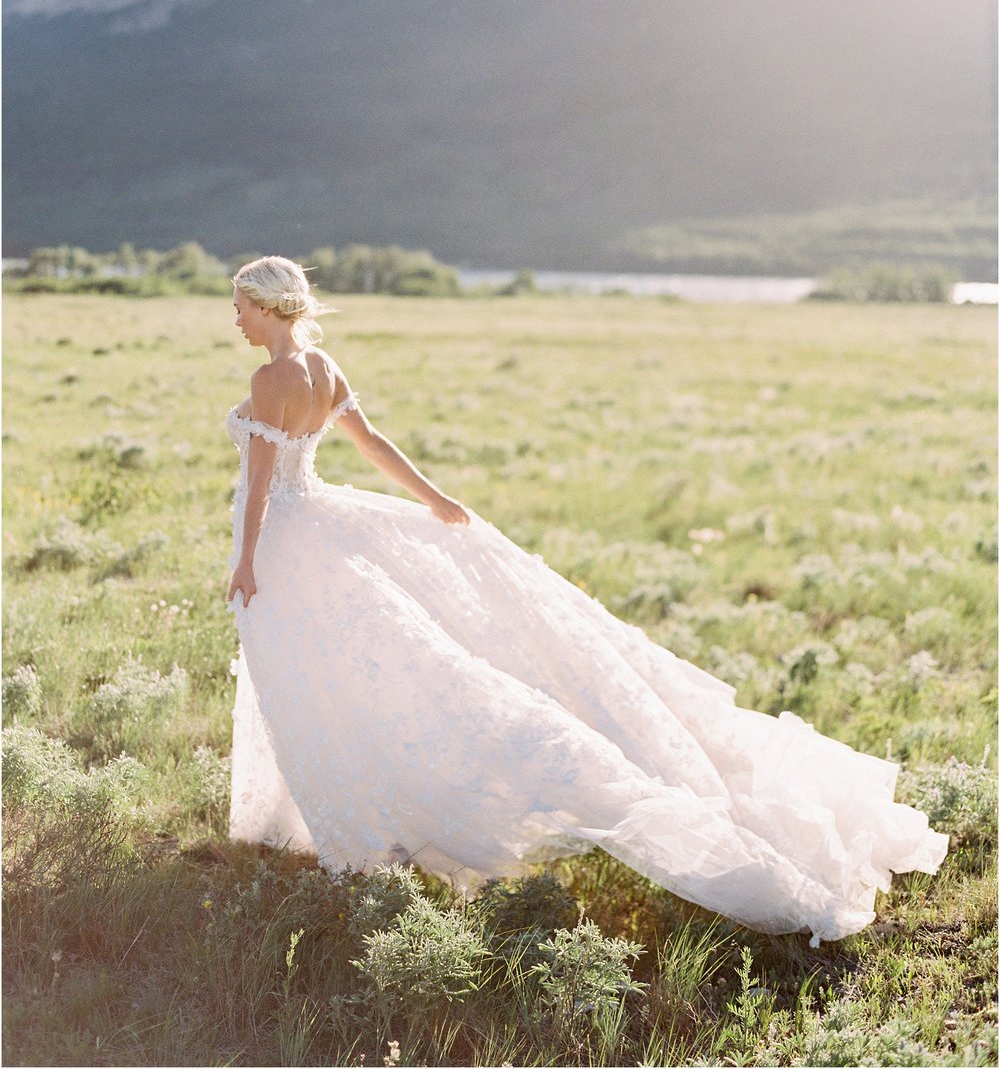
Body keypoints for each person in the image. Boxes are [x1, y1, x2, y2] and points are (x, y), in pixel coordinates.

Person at [225, 255, 947, 947]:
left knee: (311, 672)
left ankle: (351, 827)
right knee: (342, 668)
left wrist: (249, 561)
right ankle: (319, 818)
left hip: (292, 538)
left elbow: (261, 483)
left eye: (241, 307)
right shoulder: (323, 367)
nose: (237, 320)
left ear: (267, 305)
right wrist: (437, 499)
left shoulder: (272, 380)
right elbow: (373, 442)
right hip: (323, 518)